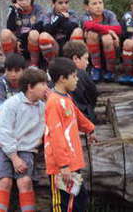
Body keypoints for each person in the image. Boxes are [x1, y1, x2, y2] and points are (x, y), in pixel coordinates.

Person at [0, 68, 48, 211]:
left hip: (25, 148)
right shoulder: (12, 104)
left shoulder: (43, 107)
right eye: (42, 84)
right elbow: (3, 132)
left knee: (25, 181)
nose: (46, 88)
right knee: (4, 181)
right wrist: (14, 157)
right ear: (30, 87)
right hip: (1, 144)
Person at [45, 57, 96, 211]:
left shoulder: (66, 98)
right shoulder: (53, 103)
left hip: (72, 163)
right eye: (74, 76)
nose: (77, 79)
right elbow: (56, 136)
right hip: (62, 167)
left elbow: (78, 116)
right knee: (64, 204)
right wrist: (64, 165)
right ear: (62, 78)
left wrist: (90, 129)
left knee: (79, 202)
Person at [0, 0, 46, 67]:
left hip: (31, 43)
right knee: (5, 33)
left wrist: (21, 41)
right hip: (17, 46)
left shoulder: (37, 9)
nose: (24, 2)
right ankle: (10, 64)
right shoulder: (13, 10)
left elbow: (40, 26)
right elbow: (10, 28)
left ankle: (34, 65)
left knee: (34, 33)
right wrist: (14, 11)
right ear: (15, 0)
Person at [81, 0, 122, 82]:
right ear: (87, 7)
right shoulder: (86, 16)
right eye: (94, 4)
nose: (98, 6)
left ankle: (110, 70)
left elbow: (118, 29)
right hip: (93, 54)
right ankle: (96, 68)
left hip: (110, 49)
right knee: (91, 34)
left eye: (100, 2)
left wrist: (106, 31)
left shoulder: (109, 14)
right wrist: (109, 30)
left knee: (106, 38)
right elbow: (88, 24)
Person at [38, 0, 84, 64]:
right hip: (54, 46)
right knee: (43, 36)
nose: (64, 5)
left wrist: (61, 22)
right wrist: (61, 18)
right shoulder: (48, 15)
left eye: (66, 2)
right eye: (60, 3)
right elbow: (48, 30)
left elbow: (72, 28)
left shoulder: (72, 14)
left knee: (78, 31)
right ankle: (51, 65)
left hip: (68, 45)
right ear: (53, 3)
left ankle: (74, 63)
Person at [0, 53, 26, 137]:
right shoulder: (2, 81)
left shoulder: (28, 82)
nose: (13, 74)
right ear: (5, 70)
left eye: (17, 71)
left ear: (23, 71)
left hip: (25, 113)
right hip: (7, 112)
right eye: (9, 70)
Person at [62, 41, 99, 122]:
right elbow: (93, 94)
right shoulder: (82, 74)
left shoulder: (56, 73)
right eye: (85, 58)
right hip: (82, 117)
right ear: (75, 58)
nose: (88, 62)